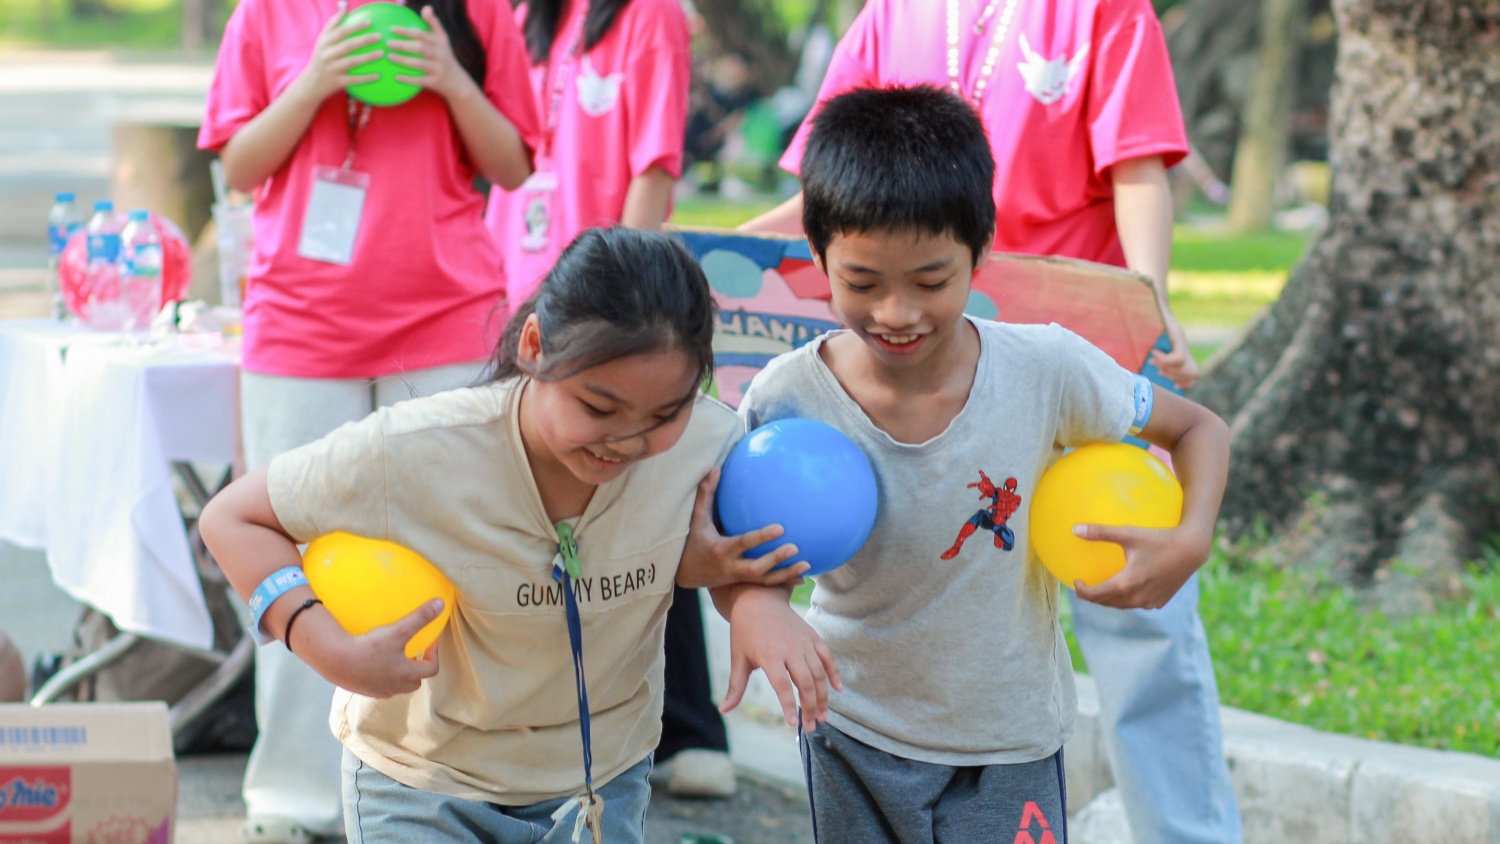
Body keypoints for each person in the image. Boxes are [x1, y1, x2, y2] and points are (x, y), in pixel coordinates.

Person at [739, 2, 1243, 840]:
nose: (893, 308)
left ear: (976, 250)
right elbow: (827, 199)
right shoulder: (886, 17)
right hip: (857, 721)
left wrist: (1147, 302)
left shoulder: (1097, 13)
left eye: (921, 282)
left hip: (1064, 352)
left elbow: (1139, 168)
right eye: (863, 285)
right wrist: (689, 256)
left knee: (1140, 626)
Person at [199, 228, 810, 844]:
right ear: (535, 345)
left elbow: (736, 557)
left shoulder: (707, 446)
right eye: (598, 408)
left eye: (664, 415)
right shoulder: (416, 448)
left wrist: (754, 603)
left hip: (600, 786)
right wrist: (328, 648)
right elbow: (233, 518)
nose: (627, 441)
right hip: (421, 787)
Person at [198, 0, 542, 837]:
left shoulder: (480, 11)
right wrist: (315, 81)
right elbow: (239, 168)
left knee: (455, 551)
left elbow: (515, 165)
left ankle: (442, 785)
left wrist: (450, 78)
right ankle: (293, 795)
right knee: (291, 547)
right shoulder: (267, 13)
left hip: (448, 317)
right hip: (299, 323)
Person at [484, 0, 741, 798]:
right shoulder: (512, 15)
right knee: (536, 506)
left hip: (607, 306)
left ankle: (687, 727)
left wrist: (629, 315)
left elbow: (654, 164)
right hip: (511, 285)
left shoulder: (647, 15)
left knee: (645, 494)